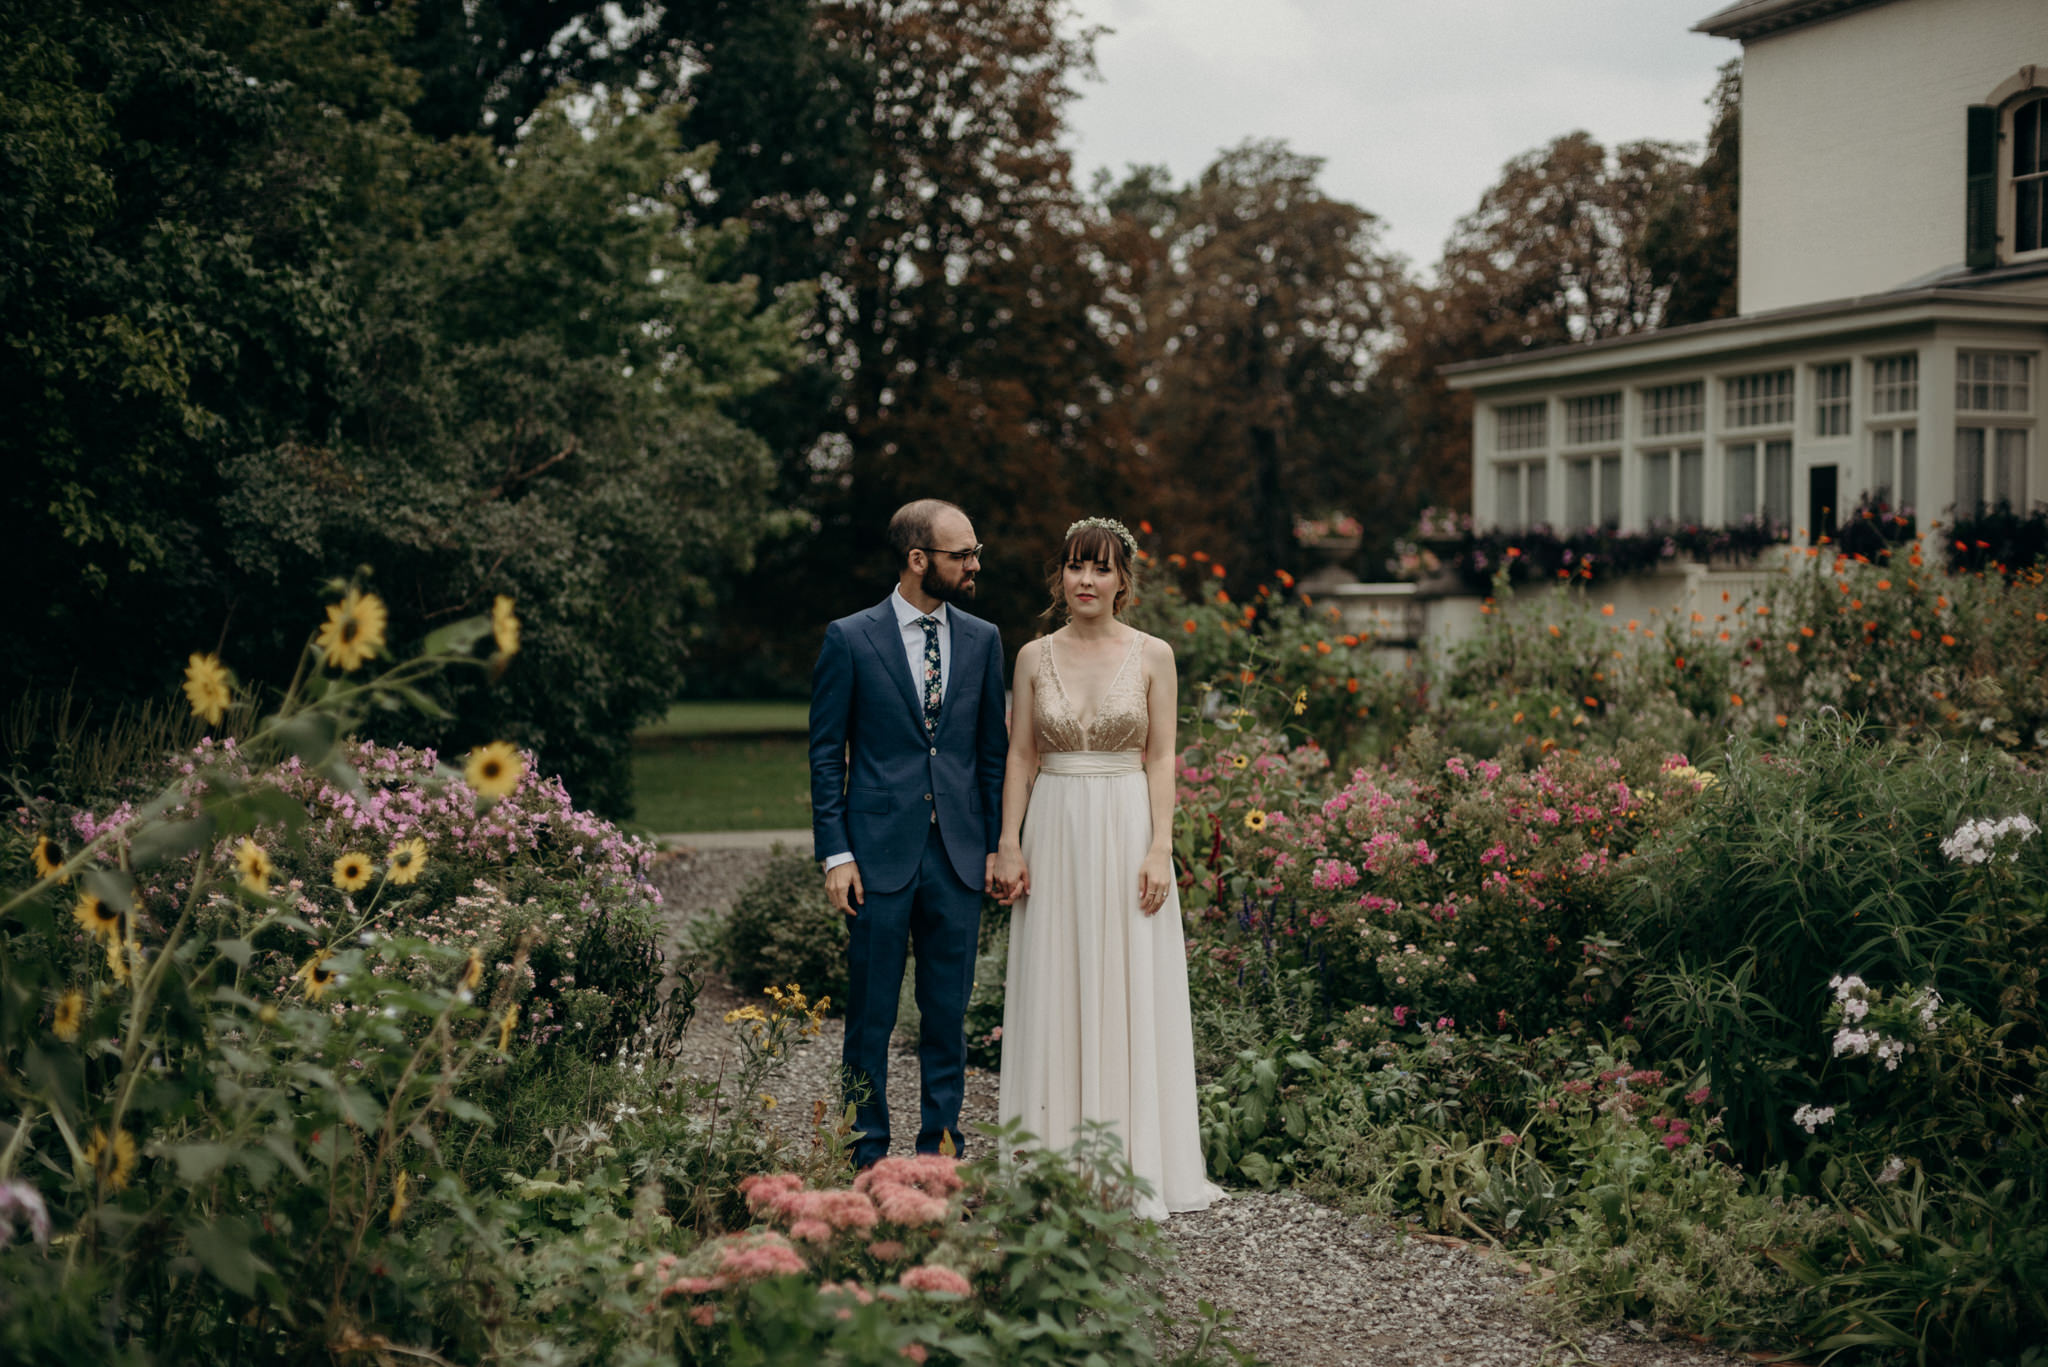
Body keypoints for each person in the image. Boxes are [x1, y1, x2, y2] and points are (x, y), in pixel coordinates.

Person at [990, 516, 1223, 1219]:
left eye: (1100, 567)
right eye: (1074, 566)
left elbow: (1160, 756)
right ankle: (1053, 1160)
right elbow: (1022, 756)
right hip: (1054, 825)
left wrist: (1159, 845)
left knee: (1128, 980)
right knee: (1056, 978)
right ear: (1060, 577)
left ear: (1124, 579)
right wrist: (1009, 841)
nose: (1085, 580)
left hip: (1125, 826)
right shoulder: (1032, 656)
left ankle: (1130, 1162)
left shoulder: (1154, 655)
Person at [809, 498, 1009, 1169]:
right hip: (875, 856)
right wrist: (836, 852)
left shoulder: (984, 640)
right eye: (963, 555)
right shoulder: (849, 637)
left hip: (956, 857)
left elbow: (990, 754)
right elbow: (824, 750)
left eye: (976, 552)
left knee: (947, 1017)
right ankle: (865, 1155)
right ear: (919, 559)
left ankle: (939, 1153)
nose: (976, 564)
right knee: (869, 1017)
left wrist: (992, 846)